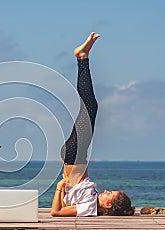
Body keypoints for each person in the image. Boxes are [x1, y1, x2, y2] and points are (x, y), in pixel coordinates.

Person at [51, 32, 135, 217]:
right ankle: (82, 57)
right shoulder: (92, 200)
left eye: (110, 194)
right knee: (89, 106)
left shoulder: (89, 207)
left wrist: (59, 188)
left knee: (90, 106)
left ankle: (82, 58)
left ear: (107, 205)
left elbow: (56, 212)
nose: (106, 191)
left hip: (74, 155)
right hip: (77, 156)